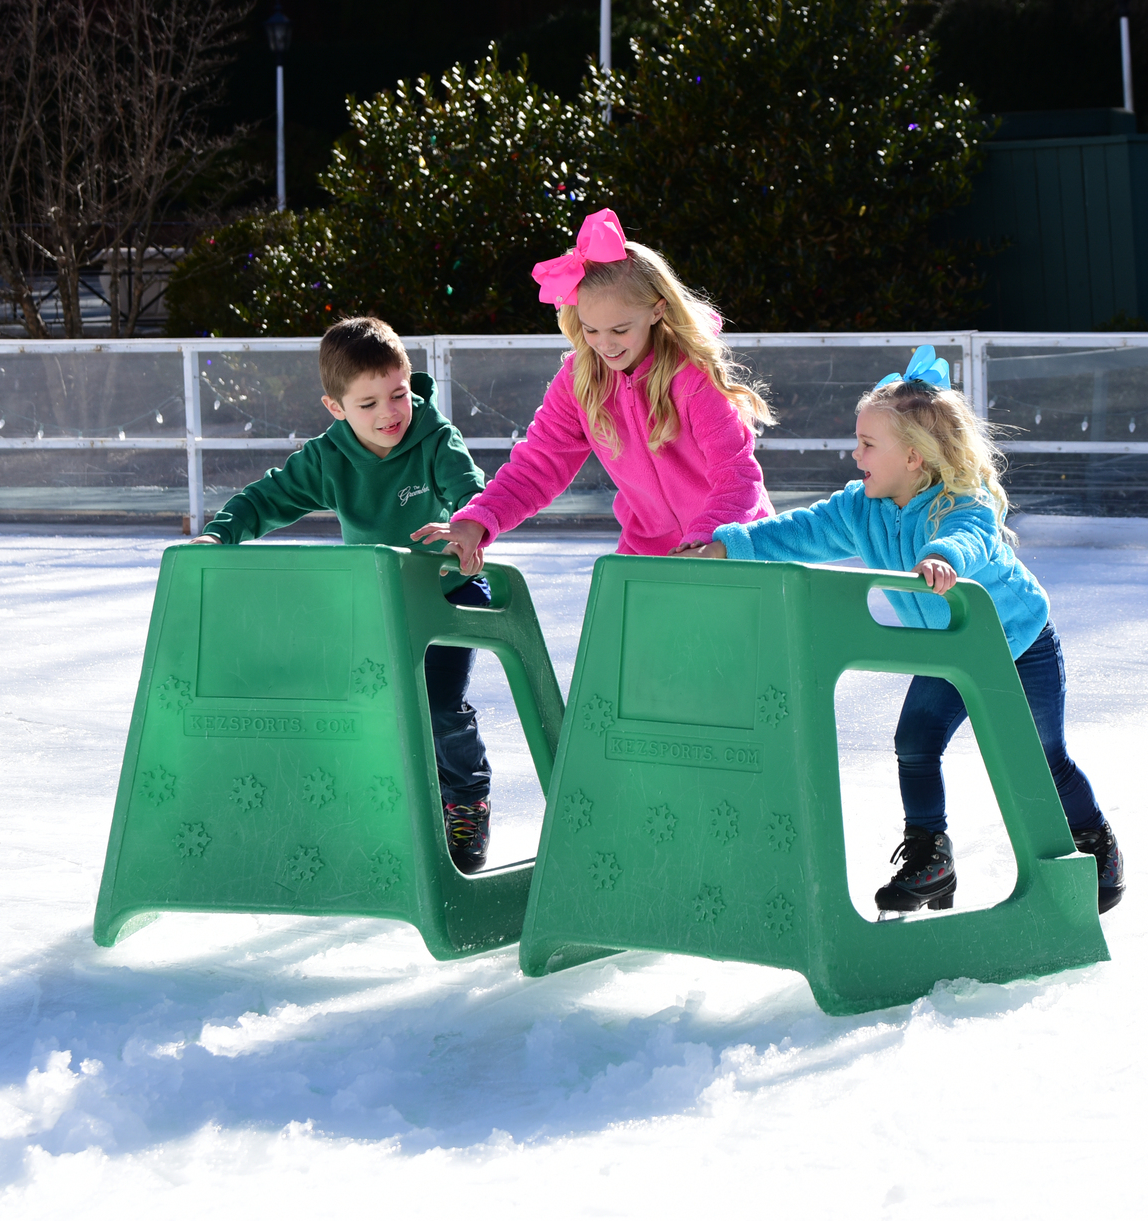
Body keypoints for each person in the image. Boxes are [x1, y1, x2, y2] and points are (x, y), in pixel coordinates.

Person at [682, 344, 1124, 916]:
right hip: (947, 652)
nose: (855, 453)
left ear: (914, 458)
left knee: (1040, 753)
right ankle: (929, 861)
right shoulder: (859, 508)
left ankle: (1094, 839)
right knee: (914, 743)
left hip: (1018, 645)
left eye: (868, 444)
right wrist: (728, 546)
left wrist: (941, 557)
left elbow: (971, 537)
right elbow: (799, 531)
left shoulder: (961, 503)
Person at [191, 316, 498, 874]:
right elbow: (264, 497)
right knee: (365, 707)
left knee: (438, 706)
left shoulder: (434, 437)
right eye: (368, 404)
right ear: (335, 407)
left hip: (447, 591)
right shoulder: (329, 457)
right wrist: (218, 533)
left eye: (399, 394)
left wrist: (465, 525)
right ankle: (380, 803)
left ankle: (466, 802)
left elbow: (468, 490)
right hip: (376, 600)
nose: (389, 413)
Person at [411, 208, 775, 573]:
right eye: (591, 329)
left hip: (729, 549)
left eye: (619, 329)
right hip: (646, 556)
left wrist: (704, 544)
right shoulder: (580, 380)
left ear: (657, 311)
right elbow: (538, 465)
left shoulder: (692, 378)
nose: (605, 345)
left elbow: (736, 476)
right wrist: (478, 518)